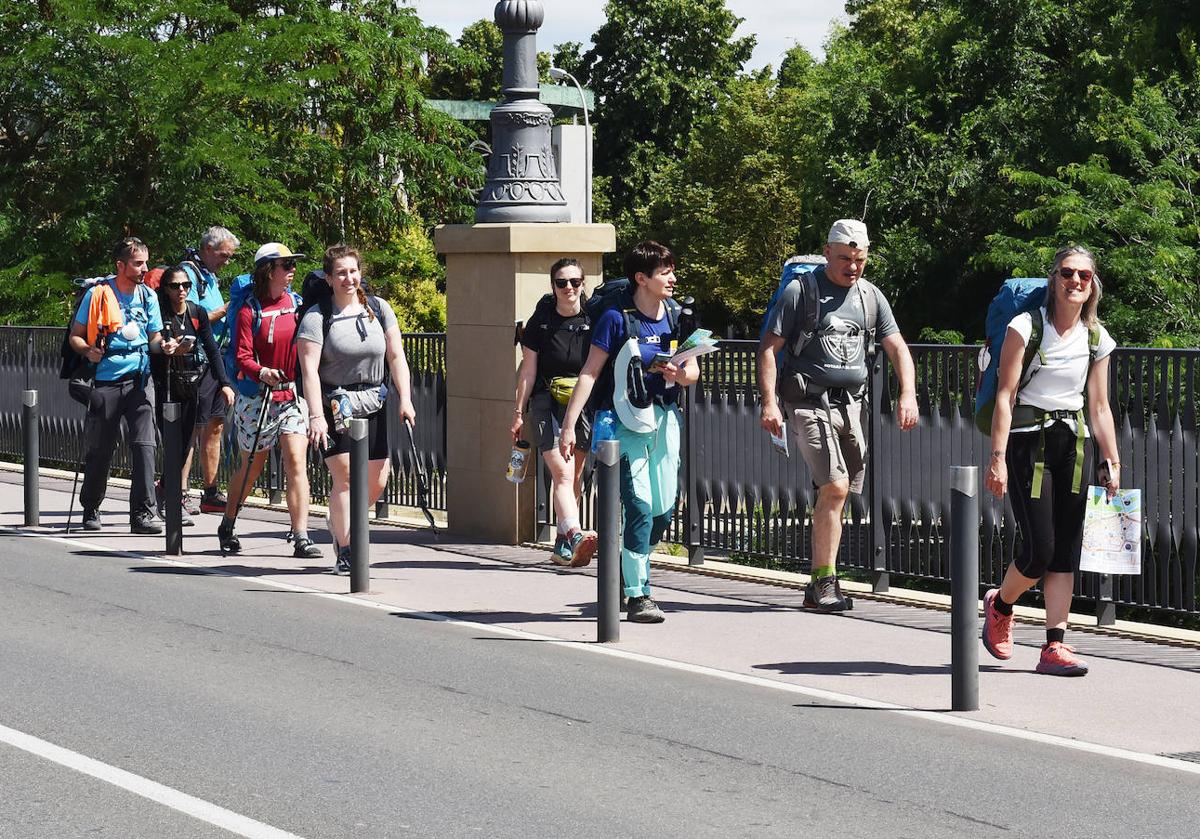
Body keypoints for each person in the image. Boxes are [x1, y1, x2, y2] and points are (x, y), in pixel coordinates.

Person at [757, 219, 919, 611]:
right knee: (836, 487)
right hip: (808, 402)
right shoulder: (802, 292)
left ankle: (821, 580)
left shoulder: (870, 296)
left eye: (859, 259)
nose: (852, 266)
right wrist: (769, 402)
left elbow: (896, 346)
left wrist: (908, 393)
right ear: (827, 251)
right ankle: (823, 583)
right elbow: (767, 350)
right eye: (845, 258)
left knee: (838, 491)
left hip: (851, 406)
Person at [982, 246, 1119, 677]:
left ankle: (1054, 647)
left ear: (1092, 284)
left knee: (1065, 551)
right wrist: (997, 458)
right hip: (1028, 443)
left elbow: (1098, 406)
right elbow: (1005, 395)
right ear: (1053, 278)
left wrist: (1110, 460)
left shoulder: (1096, 337)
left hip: (1072, 445)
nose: (1075, 281)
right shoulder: (1026, 326)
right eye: (1067, 273)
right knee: (1039, 549)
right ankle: (1001, 605)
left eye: (1084, 276)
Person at [559, 242, 700, 623]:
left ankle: (626, 569)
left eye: (672, 270)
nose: (672, 278)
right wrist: (569, 425)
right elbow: (590, 372)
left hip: (665, 419)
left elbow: (692, 371)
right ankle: (639, 594)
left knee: (663, 511)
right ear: (642, 278)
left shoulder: (675, 315)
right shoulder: (617, 319)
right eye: (664, 272)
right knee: (638, 507)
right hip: (622, 423)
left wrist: (679, 373)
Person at [297, 245, 416, 574]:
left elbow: (396, 356)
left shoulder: (378, 308)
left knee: (377, 481)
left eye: (352, 271)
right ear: (329, 278)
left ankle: (340, 519)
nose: (348, 278)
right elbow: (308, 371)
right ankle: (348, 549)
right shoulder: (317, 317)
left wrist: (405, 398)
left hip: (374, 400)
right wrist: (315, 416)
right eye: (340, 273)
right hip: (336, 404)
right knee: (347, 479)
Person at [217, 243, 322, 559]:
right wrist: (262, 371)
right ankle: (228, 522)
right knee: (252, 466)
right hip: (257, 399)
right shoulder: (250, 309)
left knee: (295, 461)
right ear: (268, 270)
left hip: (291, 395)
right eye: (285, 264)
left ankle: (301, 535)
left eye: (292, 264)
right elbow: (242, 356)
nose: (292, 269)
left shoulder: (298, 303)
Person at [67, 237, 171, 533]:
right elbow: (75, 336)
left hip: (140, 380)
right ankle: (91, 507)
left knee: (145, 446)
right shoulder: (98, 294)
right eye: (138, 263)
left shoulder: (148, 296)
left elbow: (153, 338)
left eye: (145, 262)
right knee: (101, 449)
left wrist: (164, 346)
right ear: (120, 265)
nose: (144, 269)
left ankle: (142, 514)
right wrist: (88, 351)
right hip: (106, 381)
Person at [513, 258, 598, 566]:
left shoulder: (593, 317)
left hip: (581, 403)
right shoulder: (541, 321)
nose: (569, 289)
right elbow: (528, 371)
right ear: (553, 286)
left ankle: (562, 542)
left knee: (572, 476)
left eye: (575, 282)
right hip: (545, 402)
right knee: (561, 473)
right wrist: (519, 412)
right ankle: (575, 534)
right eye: (562, 283)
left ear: (583, 284)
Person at [151, 265, 235, 526]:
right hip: (163, 385)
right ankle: (170, 500)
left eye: (185, 286)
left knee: (185, 444)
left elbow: (211, 348)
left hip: (190, 384)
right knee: (172, 443)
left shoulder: (196, 313)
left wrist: (224, 383)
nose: (182, 291)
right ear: (165, 289)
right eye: (175, 286)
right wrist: (164, 348)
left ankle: (165, 490)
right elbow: (151, 344)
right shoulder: (159, 312)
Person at [183, 226, 239, 515]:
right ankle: (177, 491)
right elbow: (190, 315)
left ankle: (210, 491)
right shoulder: (188, 274)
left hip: (216, 360)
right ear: (207, 249)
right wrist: (228, 309)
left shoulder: (209, 276)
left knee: (215, 425)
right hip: (196, 361)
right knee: (192, 427)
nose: (226, 261)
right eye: (223, 255)